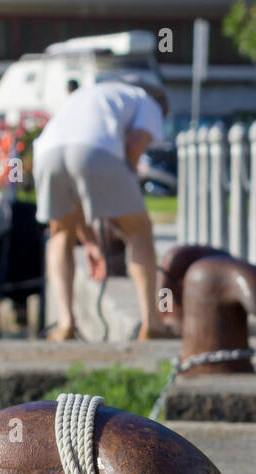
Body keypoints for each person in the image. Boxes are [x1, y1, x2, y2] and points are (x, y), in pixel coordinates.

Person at [33, 80, 165, 341]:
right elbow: (134, 145)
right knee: (139, 231)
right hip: (95, 150)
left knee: (60, 234)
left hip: (47, 152)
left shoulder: (90, 94)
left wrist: (91, 242)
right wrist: (123, 199)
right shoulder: (148, 101)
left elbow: (76, 192)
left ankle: (65, 323)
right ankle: (153, 323)